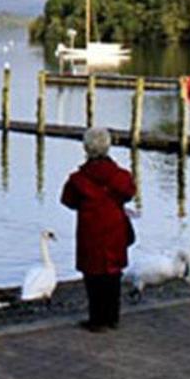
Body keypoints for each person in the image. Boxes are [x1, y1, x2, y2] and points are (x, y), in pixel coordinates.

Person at [60, 127, 136, 333]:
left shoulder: (78, 179)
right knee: (113, 274)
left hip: (90, 230)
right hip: (115, 228)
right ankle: (112, 317)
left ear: (86, 148)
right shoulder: (121, 176)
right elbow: (130, 192)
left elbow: (67, 200)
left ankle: (97, 319)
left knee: (93, 276)